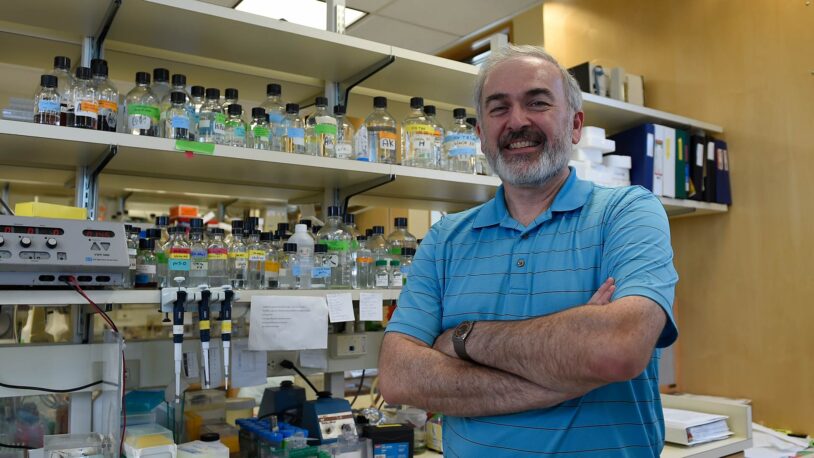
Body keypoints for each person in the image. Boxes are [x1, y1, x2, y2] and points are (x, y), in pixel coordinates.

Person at [378, 44, 679, 457]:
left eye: (537, 102)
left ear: (575, 126)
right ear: (481, 134)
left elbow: (618, 349)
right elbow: (398, 378)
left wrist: (464, 338)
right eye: (498, 109)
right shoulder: (446, 238)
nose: (517, 121)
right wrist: (565, 372)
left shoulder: (628, 212)